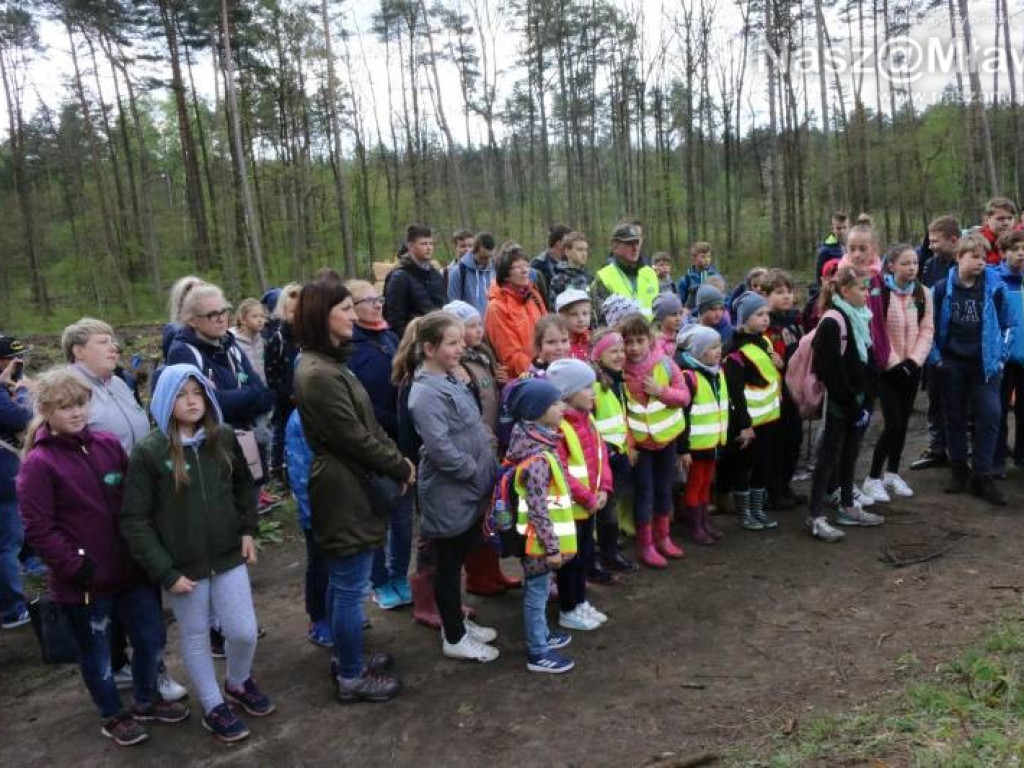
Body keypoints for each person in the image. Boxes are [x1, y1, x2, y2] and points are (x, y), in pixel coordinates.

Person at [20, 369, 188, 746]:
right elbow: (39, 528)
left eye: (80, 403)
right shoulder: (38, 464)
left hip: (131, 569)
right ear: (46, 410)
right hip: (84, 582)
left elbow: (134, 499)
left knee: (150, 637)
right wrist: (77, 566)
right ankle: (113, 714)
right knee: (96, 654)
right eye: (65, 407)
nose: (76, 412)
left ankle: (147, 699)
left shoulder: (107, 444)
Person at [120, 365, 273, 743]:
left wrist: (248, 530)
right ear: (164, 400)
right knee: (195, 635)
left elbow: (243, 486)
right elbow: (134, 519)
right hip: (182, 567)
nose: (192, 401)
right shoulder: (149, 453)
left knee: (243, 631)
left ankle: (238, 682)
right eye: (182, 394)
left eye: (198, 393)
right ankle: (212, 705)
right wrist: (164, 571)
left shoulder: (220, 437)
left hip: (226, 554)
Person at [291, 277, 413, 702]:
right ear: (321, 316)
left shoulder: (330, 364)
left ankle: (349, 657)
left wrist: (393, 456)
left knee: (350, 580)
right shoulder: (317, 373)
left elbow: (369, 425)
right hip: (343, 485)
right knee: (349, 584)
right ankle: (351, 676)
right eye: (344, 308)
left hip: (353, 478)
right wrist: (398, 464)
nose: (353, 315)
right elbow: (353, 437)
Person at [63, 318, 187, 702]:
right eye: (103, 342)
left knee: (142, 585)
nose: (114, 348)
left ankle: (151, 668)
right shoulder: (71, 391)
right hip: (99, 507)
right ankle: (121, 666)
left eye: (114, 341)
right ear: (77, 350)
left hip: (141, 499)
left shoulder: (117, 382)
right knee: (111, 591)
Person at [408, 312, 499, 662]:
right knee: (447, 562)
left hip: (468, 488)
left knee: (460, 553)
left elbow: (473, 425)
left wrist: (488, 451)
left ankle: (454, 620)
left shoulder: (449, 379)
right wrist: (474, 471)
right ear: (429, 347)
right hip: (451, 490)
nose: (460, 348)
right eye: (452, 343)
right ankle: (455, 637)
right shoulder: (424, 394)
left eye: (461, 341)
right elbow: (441, 448)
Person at [341, 280, 412, 612]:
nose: (377, 305)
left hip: (401, 439)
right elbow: (357, 400)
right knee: (376, 517)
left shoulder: (388, 336)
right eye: (367, 301)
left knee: (402, 518)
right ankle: (379, 580)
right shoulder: (349, 347)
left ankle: (399, 575)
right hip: (371, 441)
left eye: (378, 298)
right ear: (350, 309)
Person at [930, 235, 1014, 506]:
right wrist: (936, 359)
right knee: (953, 415)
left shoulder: (994, 287)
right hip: (952, 362)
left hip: (985, 364)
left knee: (990, 413)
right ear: (959, 257)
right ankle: (958, 469)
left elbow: (1009, 324)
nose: (980, 262)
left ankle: (982, 473)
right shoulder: (942, 289)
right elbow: (928, 327)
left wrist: (1000, 357)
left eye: (983, 257)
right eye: (974, 256)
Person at [806, 267, 884, 542]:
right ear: (844, 291)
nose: (866, 294)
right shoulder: (832, 322)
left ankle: (848, 504)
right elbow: (829, 370)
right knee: (827, 457)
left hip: (858, 401)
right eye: (862, 289)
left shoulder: (861, 318)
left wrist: (868, 395)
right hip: (841, 403)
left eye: (868, 289)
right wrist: (852, 404)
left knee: (851, 453)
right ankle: (815, 516)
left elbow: (868, 358)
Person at [504, 378, 576, 674]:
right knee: (536, 595)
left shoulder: (533, 440)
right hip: (538, 543)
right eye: (555, 403)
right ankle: (538, 651)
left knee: (542, 590)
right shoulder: (537, 458)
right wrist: (552, 547)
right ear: (536, 411)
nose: (562, 407)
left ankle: (542, 635)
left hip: (538, 541)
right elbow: (538, 509)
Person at [862, 245, 934, 502]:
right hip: (887, 370)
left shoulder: (922, 293)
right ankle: (872, 478)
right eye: (905, 263)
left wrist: (914, 361)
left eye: (914, 263)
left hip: (911, 367)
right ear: (891, 266)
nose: (911, 267)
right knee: (892, 423)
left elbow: (927, 330)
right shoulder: (881, 293)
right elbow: (877, 329)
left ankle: (892, 473)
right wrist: (893, 363)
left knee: (902, 423)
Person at [620, 312, 689, 568]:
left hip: (666, 440)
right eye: (628, 342)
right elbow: (619, 413)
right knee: (645, 493)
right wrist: (628, 444)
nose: (634, 348)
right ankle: (645, 545)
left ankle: (664, 537)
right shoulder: (619, 372)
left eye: (640, 340)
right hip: (640, 447)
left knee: (664, 488)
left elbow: (684, 396)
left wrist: (661, 392)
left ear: (650, 340)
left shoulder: (666, 364)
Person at [548, 358, 611, 631]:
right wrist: (587, 497)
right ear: (568, 393)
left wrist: (605, 488)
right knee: (569, 562)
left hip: (589, 505)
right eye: (586, 387)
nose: (593, 392)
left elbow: (601, 456)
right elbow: (561, 471)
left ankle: (580, 601)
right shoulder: (560, 428)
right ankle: (568, 608)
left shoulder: (589, 420)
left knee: (585, 556)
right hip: (570, 509)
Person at [166, 283, 273, 432]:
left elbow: (265, 395)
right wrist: (250, 393)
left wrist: (232, 399)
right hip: (212, 443)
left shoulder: (231, 347)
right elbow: (207, 406)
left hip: (246, 437)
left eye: (224, 311)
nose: (222, 319)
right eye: (212, 314)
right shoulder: (184, 353)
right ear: (192, 321)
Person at [723, 291, 783, 532]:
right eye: (759, 315)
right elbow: (735, 392)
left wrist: (778, 363)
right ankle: (744, 512)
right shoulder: (734, 350)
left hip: (769, 417)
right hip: (747, 422)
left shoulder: (764, 342)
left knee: (763, 463)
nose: (765, 319)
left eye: (766, 314)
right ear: (744, 318)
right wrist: (744, 424)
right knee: (743, 465)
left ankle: (758, 509)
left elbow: (770, 376)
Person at [912, 215, 962, 470]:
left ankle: (962, 450)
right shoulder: (931, 265)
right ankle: (937, 446)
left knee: (963, 401)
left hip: (961, 341)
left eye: (935, 241)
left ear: (953, 240)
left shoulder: (967, 263)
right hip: (935, 340)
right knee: (935, 397)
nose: (930, 245)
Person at [590, 329, 638, 574]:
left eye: (621, 350)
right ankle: (603, 553)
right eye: (613, 351)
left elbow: (622, 418)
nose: (620, 355)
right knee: (605, 507)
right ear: (599, 355)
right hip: (602, 458)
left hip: (617, 453)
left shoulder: (619, 381)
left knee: (613, 503)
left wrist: (628, 444)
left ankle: (610, 551)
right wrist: (604, 452)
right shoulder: (597, 387)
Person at [674, 324, 728, 545]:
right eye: (712, 347)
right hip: (696, 446)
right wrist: (683, 449)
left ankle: (704, 521)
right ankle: (695, 526)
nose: (718, 351)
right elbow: (683, 417)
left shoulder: (717, 373)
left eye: (719, 346)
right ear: (697, 351)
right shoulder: (690, 377)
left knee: (707, 483)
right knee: (695, 485)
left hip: (713, 442)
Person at [284, 409, 331, 648]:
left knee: (342, 565)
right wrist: (311, 513)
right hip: (316, 509)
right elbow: (299, 470)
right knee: (320, 564)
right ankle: (319, 618)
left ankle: (339, 612)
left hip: (345, 507)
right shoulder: (300, 418)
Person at [762, 270, 806, 509]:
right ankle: (773, 491)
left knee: (794, 439)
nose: (786, 297)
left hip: (795, 388)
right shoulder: (765, 323)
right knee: (775, 443)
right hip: (775, 392)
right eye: (779, 293)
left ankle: (786, 486)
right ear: (766, 295)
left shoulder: (795, 320)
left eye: (788, 292)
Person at [0, 336, 32, 630]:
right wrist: (22, 392)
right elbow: (21, 418)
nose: (18, 367)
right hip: (4, 472)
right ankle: (12, 609)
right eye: (14, 361)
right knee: (8, 541)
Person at [485, 242, 548, 377]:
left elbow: (549, 330)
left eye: (526, 265)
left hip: (546, 367)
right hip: (522, 378)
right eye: (518, 267)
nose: (525, 270)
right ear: (505, 274)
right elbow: (510, 354)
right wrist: (537, 372)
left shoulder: (534, 295)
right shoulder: (497, 307)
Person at [263, 283, 302, 483]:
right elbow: (272, 372)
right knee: (281, 429)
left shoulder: (310, 336)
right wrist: (286, 393)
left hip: (307, 398)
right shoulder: (277, 339)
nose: (296, 315)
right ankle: (277, 467)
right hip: (286, 398)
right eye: (291, 311)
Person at [384, 224, 447, 339]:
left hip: (438, 338)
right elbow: (394, 319)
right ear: (411, 246)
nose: (429, 248)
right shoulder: (399, 277)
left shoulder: (436, 275)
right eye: (423, 244)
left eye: (431, 244)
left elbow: (444, 307)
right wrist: (407, 344)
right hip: (413, 341)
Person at [995, 230, 1024, 473]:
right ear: (1004, 253)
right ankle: (998, 456)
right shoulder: (994, 280)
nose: (1021, 253)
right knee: (999, 410)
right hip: (1002, 359)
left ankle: (1021, 456)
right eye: (1016, 249)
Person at [592, 224, 660, 323]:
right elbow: (602, 319)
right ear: (615, 247)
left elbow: (659, 311)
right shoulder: (604, 277)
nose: (635, 248)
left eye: (637, 243)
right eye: (629, 244)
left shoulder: (650, 273)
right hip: (620, 335)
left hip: (651, 335)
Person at [446, 231, 496, 317]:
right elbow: (453, 307)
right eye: (483, 257)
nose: (487, 261)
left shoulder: (495, 270)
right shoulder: (458, 272)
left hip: (492, 325)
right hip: (468, 327)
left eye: (489, 257)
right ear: (474, 251)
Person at [549, 231, 594, 308]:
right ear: (567, 251)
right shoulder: (559, 280)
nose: (584, 254)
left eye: (586, 250)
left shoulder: (589, 277)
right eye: (579, 250)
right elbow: (554, 309)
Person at [532, 224, 573, 304]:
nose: (571, 245)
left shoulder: (571, 263)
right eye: (568, 242)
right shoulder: (538, 265)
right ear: (558, 243)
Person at [231, 299, 268, 384]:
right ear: (243, 320)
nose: (260, 320)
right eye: (254, 316)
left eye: (262, 316)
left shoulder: (263, 341)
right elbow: (235, 370)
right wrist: (245, 385)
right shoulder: (234, 343)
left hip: (264, 389)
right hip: (246, 391)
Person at [677, 242, 722, 310]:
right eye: (703, 256)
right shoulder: (687, 278)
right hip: (692, 314)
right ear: (694, 259)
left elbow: (721, 296)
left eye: (709, 256)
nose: (707, 259)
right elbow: (681, 300)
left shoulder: (715, 276)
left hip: (711, 312)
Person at [978, 197, 1018, 265]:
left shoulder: (1019, 239)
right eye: (1000, 219)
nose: (1006, 223)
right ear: (988, 220)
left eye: (1010, 218)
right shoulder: (979, 243)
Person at [556, 288, 593, 361]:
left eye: (585, 313)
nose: (581, 319)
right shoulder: (559, 346)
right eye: (574, 314)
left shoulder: (594, 339)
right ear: (561, 317)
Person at [814, 212, 849, 283]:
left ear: (849, 227)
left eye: (845, 227)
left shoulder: (852, 247)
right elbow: (819, 278)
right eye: (838, 228)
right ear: (833, 229)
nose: (842, 231)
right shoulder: (825, 250)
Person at [652, 292, 685, 359]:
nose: (678, 318)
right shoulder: (656, 343)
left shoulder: (683, 337)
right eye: (673, 314)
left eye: (680, 313)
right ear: (661, 317)